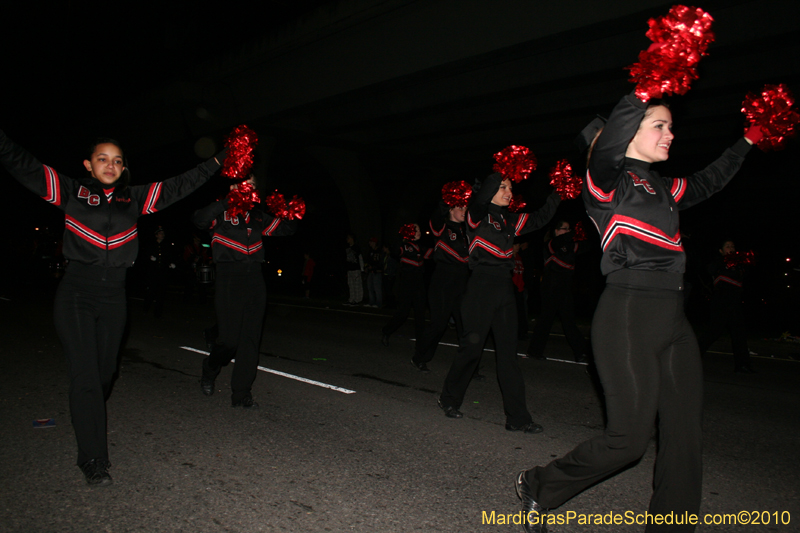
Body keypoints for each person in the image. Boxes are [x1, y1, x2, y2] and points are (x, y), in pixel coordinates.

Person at [515, 92, 760, 532]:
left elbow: (710, 180)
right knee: (628, 440)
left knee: (685, 435)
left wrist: (750, 139)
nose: (671, 133)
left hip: (674, 318)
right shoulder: (606, 182)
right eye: (659, 125)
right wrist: (643, 89)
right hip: (628, 314)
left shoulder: (665, 187)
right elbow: (606, 147)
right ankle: (540, 483)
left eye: (670, 126)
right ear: (627, 133)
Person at [0, 129, 224, 486]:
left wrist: (217, 161)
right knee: (86, 377)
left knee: (105, 375)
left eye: (117, 160)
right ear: (89, 165)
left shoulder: (134, 199)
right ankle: (93, 460)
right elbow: (22, 162)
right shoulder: (72, 191)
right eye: (102, 159)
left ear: (123, 169)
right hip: (76, 294)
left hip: (114, 297)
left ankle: (85, 409)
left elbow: (181, 184)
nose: (110, 165)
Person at [438, 174, 560, 432]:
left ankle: (518, 418)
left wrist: (558, 192)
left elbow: (540, 218)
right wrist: (502, 170)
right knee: (471, 349)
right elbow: (481, 195)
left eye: (511, 188)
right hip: (480, 288)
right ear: (491, 189)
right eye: (503, 187)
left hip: (504, 289)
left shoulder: (510, 220)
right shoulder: (476, 214)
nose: (509, 192)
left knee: (508, 356)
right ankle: (449, 399)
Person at [193, 175, 299, 409]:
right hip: (229, 278)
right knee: (229, 341)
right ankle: (210, 368)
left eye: (251, 185)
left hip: (255, 279)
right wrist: (226, 202)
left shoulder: (257, 216)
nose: (247, 188)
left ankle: (241, 393)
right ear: (231, 187)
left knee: (250, 340)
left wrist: (289, 211)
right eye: (243, 184)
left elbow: (287, 230)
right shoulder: (221, 213)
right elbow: (199, 220)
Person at [412, 201, 469, 371]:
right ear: (451, 210)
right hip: (444, 280)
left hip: (463, 281)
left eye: (466, 208)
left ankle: (469, 367)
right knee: (438, 324)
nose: (464, 211)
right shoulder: (442, 227)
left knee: (465, 326)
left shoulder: (467, 231)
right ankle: (419, 356)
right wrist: (450, 198)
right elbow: (437, 214)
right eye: (460, 207)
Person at [525, 220, 589, 362]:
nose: (567, 231)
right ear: (556, 230)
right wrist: (574, 231)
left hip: (565, 286)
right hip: (551, 286)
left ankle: (581, 353)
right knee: (546, 319)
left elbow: (587, 245)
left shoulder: (571, 246)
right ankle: (534, 351)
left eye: (568, 229)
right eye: (564, 228)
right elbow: (561, 240)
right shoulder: (550, 244)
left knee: (569, 321)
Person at [697, 239, 754, 373]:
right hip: (721, 300)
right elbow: (709, 270)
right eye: (727, 246)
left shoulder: (740, 264)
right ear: (721, 251)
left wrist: (740, 262)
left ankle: (742, 365)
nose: (731, 248)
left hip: (734, 301)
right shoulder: (718, 262)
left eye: (733, 246)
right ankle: (693, 358)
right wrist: (726, 260)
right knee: (714, 332)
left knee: (739, 333)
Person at [381, 223, 429, 346]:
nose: (419, 232)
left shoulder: (421, 247)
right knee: (403, 313)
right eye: (416, 230)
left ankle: (421, 340)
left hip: (419, 283)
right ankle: (387, 331)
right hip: (407, 283)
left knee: (420, 313)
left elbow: (434, 253)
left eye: (419, 229)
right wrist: (401, 234)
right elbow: (395, 251)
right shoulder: (405, 246)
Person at [142, 226, 177, 318]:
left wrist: (171, 263)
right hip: (153, 273)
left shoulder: (166, 246)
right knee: (151, 292)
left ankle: (157, 313)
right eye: (160, 233)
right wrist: (150, 258)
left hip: (163, 272)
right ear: (156, 235)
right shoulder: (151, 245)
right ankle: (145, 309)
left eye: (163, 233)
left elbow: (169, 257)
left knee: (161, 294)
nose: (162, 235)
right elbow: (145, 256)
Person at [344, 233, 363, 305]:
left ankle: (357, 300)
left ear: (352, 238)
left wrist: (362, 269)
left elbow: (360, 258)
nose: (347, 240)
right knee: (350, 285)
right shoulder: (347, 248)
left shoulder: (356, 247)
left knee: (357, 285)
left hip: (356, 269)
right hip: (349, 269)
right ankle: (351, 299)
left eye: (348, 238)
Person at [364, 237, 383, 308]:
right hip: (370, 272)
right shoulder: (370, 251)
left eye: (371, 242)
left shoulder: (379, 251)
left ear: (375, 243)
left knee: (377, 288)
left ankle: (378, 303)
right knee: (370, 287)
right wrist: (366, 267)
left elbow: (380, 262)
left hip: (377, 272)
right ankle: (371, 302)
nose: (369, 243)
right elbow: (367, 260)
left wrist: (374, 267)